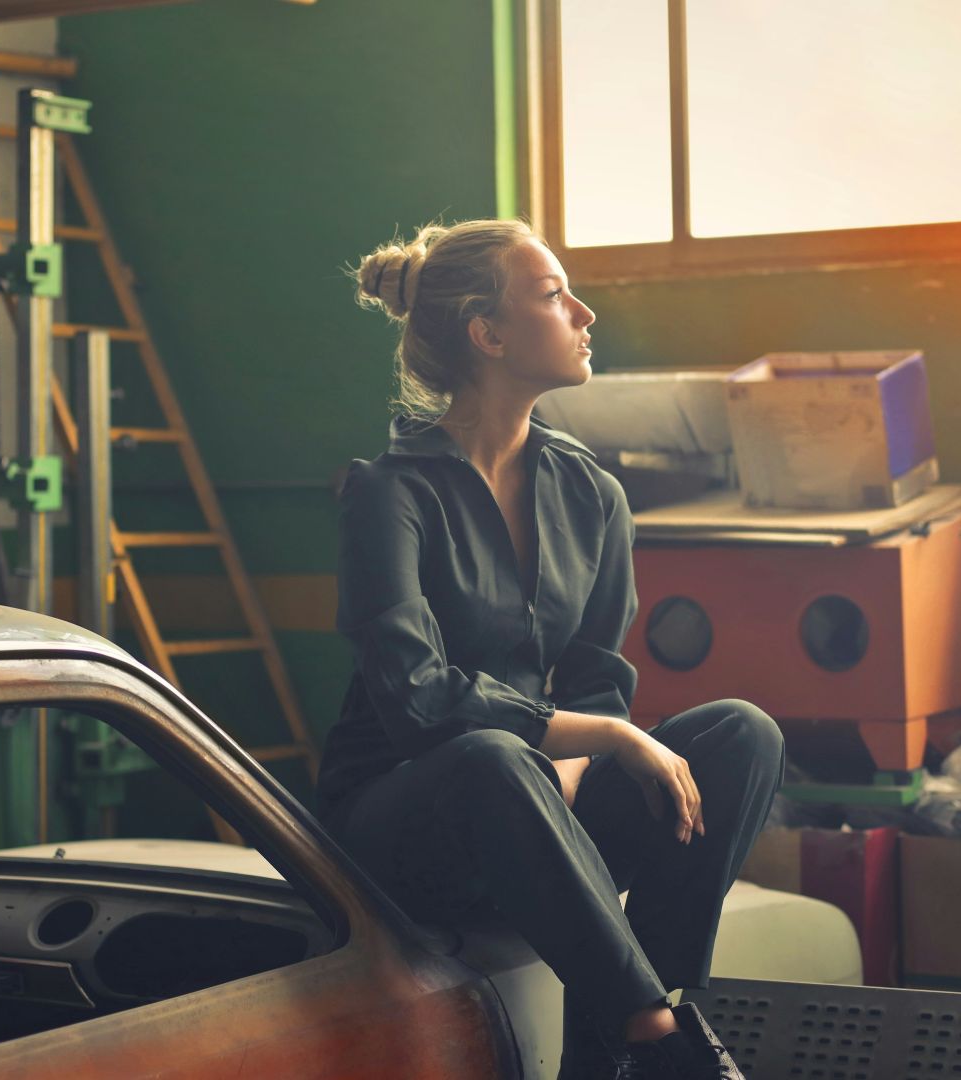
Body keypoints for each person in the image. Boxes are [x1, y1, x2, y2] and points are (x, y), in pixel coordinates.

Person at [317, 218, 783, 1080]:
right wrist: (592, 742)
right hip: (411, 818)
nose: (585, 312)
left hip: (540, 799)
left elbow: (599, 674)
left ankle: (657, 1013)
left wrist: (570, 767)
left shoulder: (592, 492)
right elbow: (417, 700)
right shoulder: (387, 493)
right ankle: (655, 1041)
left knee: (741, 732)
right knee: (492, 756)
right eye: (552, 295)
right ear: (487, 335)